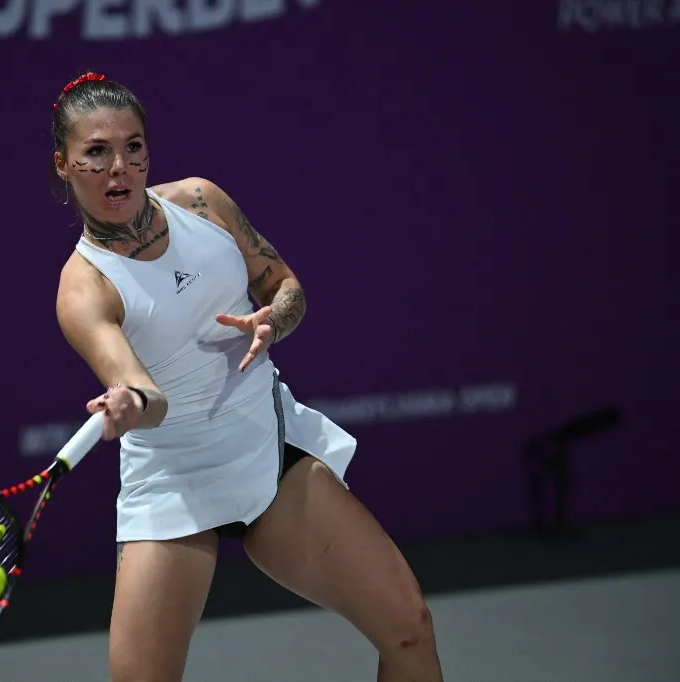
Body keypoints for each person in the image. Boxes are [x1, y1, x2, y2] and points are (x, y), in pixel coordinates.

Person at [51, 71, 444, 682]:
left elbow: (286, 288)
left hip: (266, 449)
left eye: (133, 148)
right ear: (64, 165)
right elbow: (145, 394)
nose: (119, 167)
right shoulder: (84, 288)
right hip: (174, 481)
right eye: (96, 153)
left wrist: (274, 322)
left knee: (410, 630)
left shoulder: (203, 203)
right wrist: (129, 404)